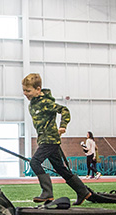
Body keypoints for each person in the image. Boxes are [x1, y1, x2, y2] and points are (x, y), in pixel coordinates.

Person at [22, 73, 91, 205]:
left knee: (35, 162)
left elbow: (64, 110)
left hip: (50, 140)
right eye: (24, 90)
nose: (26, 93)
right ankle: (83, 191)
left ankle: (47, 193)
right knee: (61, 169)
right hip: (44, 140)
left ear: (38, 89)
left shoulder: (46, 103)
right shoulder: (32, 104)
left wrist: (62, 127)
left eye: (28, 90)